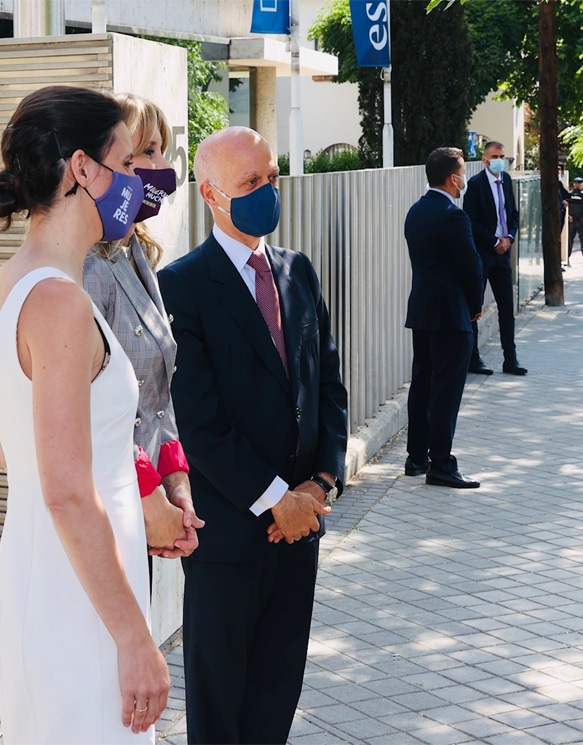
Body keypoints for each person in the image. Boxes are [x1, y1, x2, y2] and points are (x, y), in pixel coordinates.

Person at [157, 126, 348, 745]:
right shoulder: (182, 287)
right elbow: (199, 422)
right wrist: (276, 499)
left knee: (277, 693)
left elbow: (329, 384)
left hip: (301, 529)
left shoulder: (299, 271)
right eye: (250, 183)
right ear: (212, 194)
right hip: (232, 535)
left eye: (271, 177)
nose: (267, 191)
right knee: (219, 704)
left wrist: (321, 483)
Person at [0, 85, 170, 744]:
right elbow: (67, 489)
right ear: (82, 169)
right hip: (82, 611)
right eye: (126, 164)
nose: (137, 182)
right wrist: (134, 638)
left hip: (58, 585)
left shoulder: (20, 283)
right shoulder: (60, 304)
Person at [83, 94, 203, 559]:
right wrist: (151, 497)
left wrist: (177, 483)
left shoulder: (136, 252)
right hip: (109, 507)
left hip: (145, 504)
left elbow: (156, 392)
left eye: (160, 150)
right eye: (141, 154)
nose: (158, 168)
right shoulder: (88, 264)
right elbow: (96, 408)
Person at [404, 147, 483, 488]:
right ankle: (442, 463)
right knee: (446, 390)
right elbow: (471, 264)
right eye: (462, 172)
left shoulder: (415, 211)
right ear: (454, 178)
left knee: (422, 384)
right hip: (451, 314)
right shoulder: (454, 215)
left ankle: (416, 457)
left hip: (422, 309)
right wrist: (475, 303)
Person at [463, 140, 527, 376]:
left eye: (502, 156)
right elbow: (470, 220)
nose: (500, 160)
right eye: (495, 156)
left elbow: (513, 214)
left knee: (506, 309)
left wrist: (509, 237)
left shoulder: (506, 180)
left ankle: (510, 360)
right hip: (484, 253)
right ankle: (474, 360)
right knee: (475, 307)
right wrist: (494, 241)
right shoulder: (475, 185)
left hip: (503, 254)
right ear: (485, 160)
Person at [566, 176, 583, 267]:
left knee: (569, 241)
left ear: (574, 185)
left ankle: (567, 260)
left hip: (571, 221)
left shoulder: (569, 195)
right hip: (582, 221)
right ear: (581, 185)